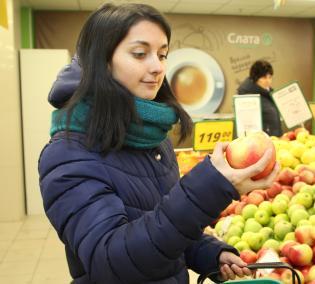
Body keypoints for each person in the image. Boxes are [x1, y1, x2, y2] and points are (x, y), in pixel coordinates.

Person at [38, 3, 279, 284]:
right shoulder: (67, 154)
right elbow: (112, 261)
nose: (157, 67)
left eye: (162, 54)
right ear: (101, 60)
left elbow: (161, 228)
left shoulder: (153, 139)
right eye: (140, 54)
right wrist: (210, 187)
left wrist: (209, 253)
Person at [237, 60, 283, 137]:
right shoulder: (247, 96)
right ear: (255, 78)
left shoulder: (268, 93)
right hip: (260, 142)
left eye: (270, 77)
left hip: (274, 140)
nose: (268, 81)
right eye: (264, 77)